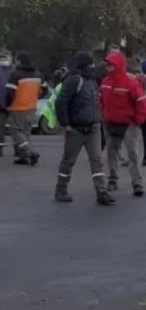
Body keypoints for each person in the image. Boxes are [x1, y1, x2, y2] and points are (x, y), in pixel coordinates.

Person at [54, 52, 115, 206]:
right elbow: (61, 102)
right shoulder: (74, 80)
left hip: (93, 127)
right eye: (90, 64)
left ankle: (101, 191)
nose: (93, 67)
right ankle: (61, 189)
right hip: (76, 128)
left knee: (97, 161)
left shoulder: (91, 81)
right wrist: (66, 124)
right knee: (68, 161)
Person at [100, 51, 146, 196]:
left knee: (132, 153)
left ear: (118, 66)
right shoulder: (105, 82)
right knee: (111, 152)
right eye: (107, 65)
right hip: (110, 122)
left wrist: (138, 120)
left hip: (129, 124)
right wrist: (103, 115)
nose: (107, 67)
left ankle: (137, 182)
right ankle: (113, 180)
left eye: (110, 65)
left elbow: (142, 103)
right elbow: (101, 100)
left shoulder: (130, 83)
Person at [5, 51, 47, 166]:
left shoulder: (15, 74)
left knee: (15, 130)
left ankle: (30, 152)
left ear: (18, 60)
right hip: (31, 107)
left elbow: (10, 93)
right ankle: (24, 157)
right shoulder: (38, 74)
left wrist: (7, 104)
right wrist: (35, 98)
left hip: (18, 107)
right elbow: (45, 90)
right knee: (25, 132)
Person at [0, 49, 13, 157]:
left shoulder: (13, 71)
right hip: (6, 105)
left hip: (9, 104)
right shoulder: (13, 71)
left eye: (6, 57)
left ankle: (21, 151)